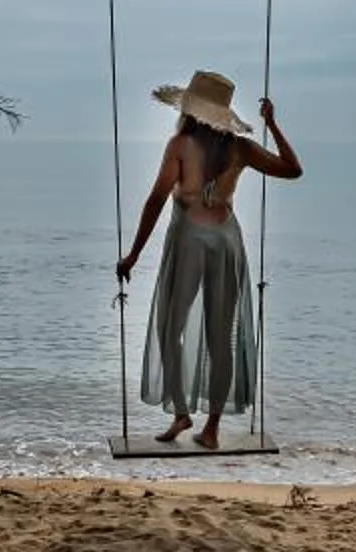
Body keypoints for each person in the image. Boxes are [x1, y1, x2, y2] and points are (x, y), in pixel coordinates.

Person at [115, 69, 304, 448]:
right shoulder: (241, 149)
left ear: (189, 110)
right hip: (226, 242)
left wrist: (133, 254)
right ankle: (212, 429)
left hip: (188, 241)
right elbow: (293, 169)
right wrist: (273, 125)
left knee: (171, 327)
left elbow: (155, 200)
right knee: (222, 338)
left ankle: (182, 412)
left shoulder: (180, 145)